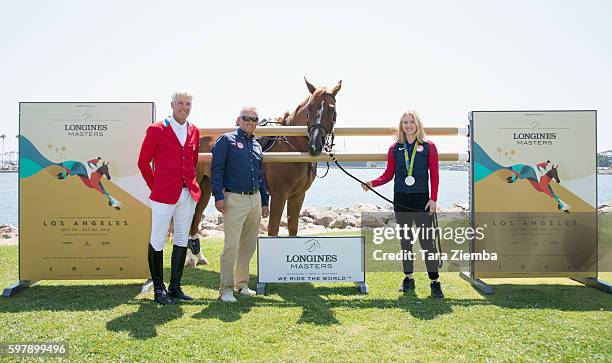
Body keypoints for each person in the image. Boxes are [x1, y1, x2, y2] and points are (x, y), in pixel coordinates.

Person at [362, 110, 444, 298]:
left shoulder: (429, 147)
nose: (408, 125)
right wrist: (372, 183)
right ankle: (408, 278)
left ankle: (435, 281)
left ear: (418, 124)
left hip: (422, 200)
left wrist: (434, 199)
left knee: (427, 243)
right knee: (406, 242)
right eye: (405, 122)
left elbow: (435, 175)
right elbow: (388, 174)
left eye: (411, 121)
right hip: (400, 199)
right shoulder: (395, 149)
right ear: (401, 126)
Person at [137, 92, 201, 305]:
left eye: (188, 104)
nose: (184, 107)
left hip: (188, 194)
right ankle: (158, 288)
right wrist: (155, 186)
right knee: (157, 239)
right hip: (163, 195)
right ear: (172, 105)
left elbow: (192, 161)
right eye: (181, 103)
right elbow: (143, 162)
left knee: (182, 238)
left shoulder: (194, 130)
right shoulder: (156, 129)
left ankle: (175, 287)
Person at [211, 106, 270, 303]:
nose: (250, 122)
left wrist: (264, 201)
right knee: (231, 246)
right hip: (233, 198)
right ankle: (225, 289)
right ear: (238, 119)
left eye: (254, 119)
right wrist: (218, 196)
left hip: (254, 199)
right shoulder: (226, 140)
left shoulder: (256, 145)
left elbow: (260, 176)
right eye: (246, 118)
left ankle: (241, 284)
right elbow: (216, 169)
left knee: (248, 245)